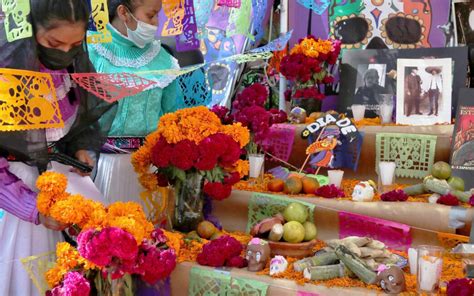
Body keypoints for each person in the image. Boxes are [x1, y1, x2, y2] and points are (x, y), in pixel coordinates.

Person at [0, 1, 115, 295]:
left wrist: (78, 149)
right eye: (54, 43)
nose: (64, 53)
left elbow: (76, 126)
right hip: (26, 211)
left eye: (75, 44)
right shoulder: (6, 79)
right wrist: (33, 209)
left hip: (67, 198)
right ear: (29, 30)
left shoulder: (68, 71)